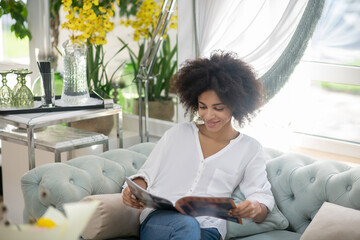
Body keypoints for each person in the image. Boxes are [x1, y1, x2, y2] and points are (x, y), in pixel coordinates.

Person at [123, 51, 275, 240]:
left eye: (218, 108)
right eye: (203, 107)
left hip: (209, 229)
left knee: (191, 229)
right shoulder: (178, 134)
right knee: (186, 226)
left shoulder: (250, 149)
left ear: (236, 105)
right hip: (161, 222)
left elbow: (261, 197)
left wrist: (254, 207)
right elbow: (145, 176)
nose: (208, 115)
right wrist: (132, 192)